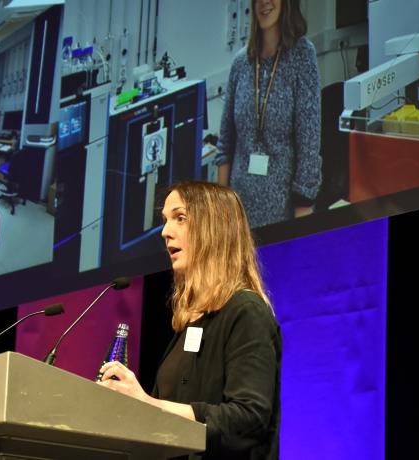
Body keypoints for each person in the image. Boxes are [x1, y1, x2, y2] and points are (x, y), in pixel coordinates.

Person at [98, 181, 281, 459]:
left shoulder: (246, 311)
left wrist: (149, 404)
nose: (165, 232)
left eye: (180, 218)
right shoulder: (190, 323)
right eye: (165, 221)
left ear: (214, 229)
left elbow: (248, 418)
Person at [216, 0, 321, 228]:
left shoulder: (302, 55)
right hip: (238, 213)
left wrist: (304, 208)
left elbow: (309, 143)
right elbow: (225, 145)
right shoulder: (241, 63)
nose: (264, 2)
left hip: (283, 214)